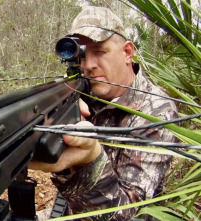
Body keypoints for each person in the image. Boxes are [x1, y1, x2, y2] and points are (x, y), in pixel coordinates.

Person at [29, 6, 178, 220]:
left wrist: (89, 160)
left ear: (127, 52)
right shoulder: (81, 91)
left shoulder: (157, 110)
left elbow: (123, 214)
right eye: (82, 54)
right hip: (73, 209)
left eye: (99, 51)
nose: (88, 65)